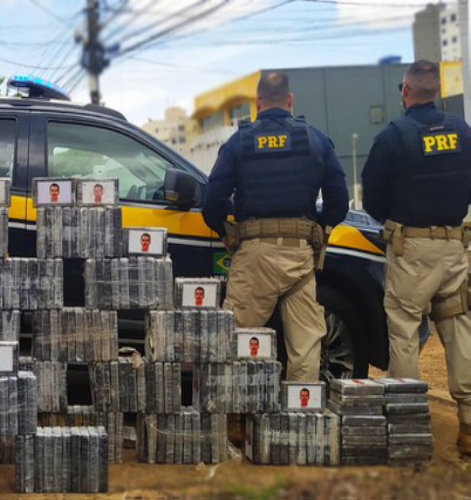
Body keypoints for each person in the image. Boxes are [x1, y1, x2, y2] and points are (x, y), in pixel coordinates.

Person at [202, 71, 348, 382]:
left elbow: (212, 200)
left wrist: (225, 231)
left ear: (257, 103)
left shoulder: (239, 142)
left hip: (254, 256)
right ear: (290, 101)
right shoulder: (315, 139)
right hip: (300, 257)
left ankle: (235, 422)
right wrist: (319, 227)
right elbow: (339, 202)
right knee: (306, 345)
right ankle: (301, 417)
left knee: (237, 340)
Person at [362, 60, 471, 455]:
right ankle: (469, 425)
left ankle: (410, 426)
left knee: (405, 331)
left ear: (405, 92)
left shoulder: (393, 136)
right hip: (455, 248)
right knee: (459, 330)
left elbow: (372, 198)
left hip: (411, 251)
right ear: (438, 91)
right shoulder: (463, 132)